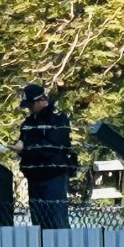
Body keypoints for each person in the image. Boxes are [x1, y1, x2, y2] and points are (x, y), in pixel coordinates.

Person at [10, 83, 78, 229]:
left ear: (41, 100)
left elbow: (51, 147)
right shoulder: (28, 123)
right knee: (39, 223)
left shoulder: (58, 119)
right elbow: (25, 139)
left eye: (31, 105)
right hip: (34, 176)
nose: (29, 109)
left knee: (57, 220)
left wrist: (26, 149)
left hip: (54, 176)